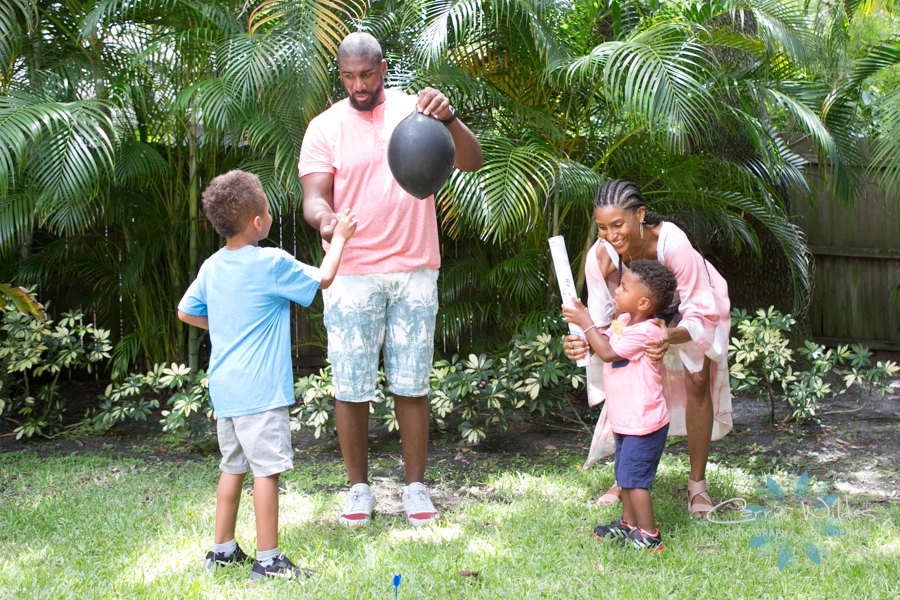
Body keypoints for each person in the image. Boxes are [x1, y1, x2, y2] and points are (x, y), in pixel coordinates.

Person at [298, 32, 483, 527]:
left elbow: (471, 160)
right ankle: (359, 489)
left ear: (383, 68)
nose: (358, 85)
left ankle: (415, 487)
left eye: (367, 74)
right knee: (351, 386)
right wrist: (325, 220)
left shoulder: (416, 112)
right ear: (341, 75)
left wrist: (450, 117)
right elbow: (314, 196)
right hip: (352, 273)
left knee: (412, 383)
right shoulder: (324, 127)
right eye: (349, 76)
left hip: (414, 268)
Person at [177, 170, 357, 579]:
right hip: (260, 393)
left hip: (226, 390)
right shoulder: (271, 262)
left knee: (231, 468)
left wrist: (226, 323)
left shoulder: (212, 266)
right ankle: (268, 559)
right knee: (265, 473)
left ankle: (221, 550)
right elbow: (324, 278)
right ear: (258, 221)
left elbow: (186, 311)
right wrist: (341, 236)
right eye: (268, 205)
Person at [564, 179, 733, 519]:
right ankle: (626, 480)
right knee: (624, 379)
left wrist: (668, 336)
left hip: (691, 308)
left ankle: (697, 484)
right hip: (635, 310)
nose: (611, 235)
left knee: (697, 379)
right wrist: (580, 341)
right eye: (602, 227)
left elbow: (700, 310)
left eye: (618, 225)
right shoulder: (601, 256)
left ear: (639, 215)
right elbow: (597, 321)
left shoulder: (672, 242)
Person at [563, 260, 678, 550]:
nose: (617, 290)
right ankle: (628, 525)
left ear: (643, 302)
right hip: (626, 418)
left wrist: (585, 319)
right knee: (624, 475)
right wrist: (585, 333)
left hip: (644, 421)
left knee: (636, 480)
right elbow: (604, 339)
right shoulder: (626, 321)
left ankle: (649, 535)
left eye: (623, 287)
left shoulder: (648, 331)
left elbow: (608, 352)